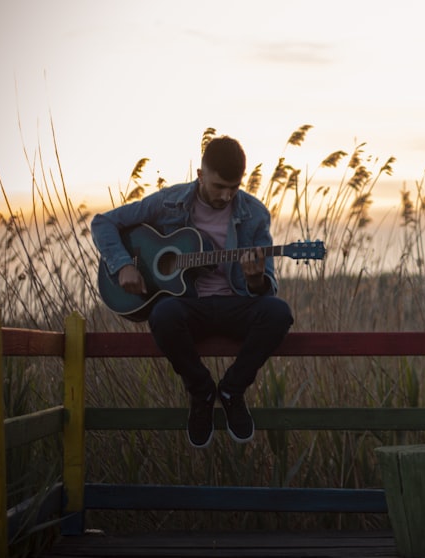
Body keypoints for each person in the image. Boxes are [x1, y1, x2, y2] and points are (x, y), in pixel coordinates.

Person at [91, 135, 294, 448]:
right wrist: (122, 266)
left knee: (279, 313)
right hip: (189, 307)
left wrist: (254, 280)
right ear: (200, 176)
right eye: (218, 186)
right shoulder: (168, 202)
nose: (226, 196)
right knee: (162, 314)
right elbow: (103, 223)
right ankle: (201, 393)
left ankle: (232, 390)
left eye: (234, 188)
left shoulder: (254, 214)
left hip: (233, 306)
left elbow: (265, 287)